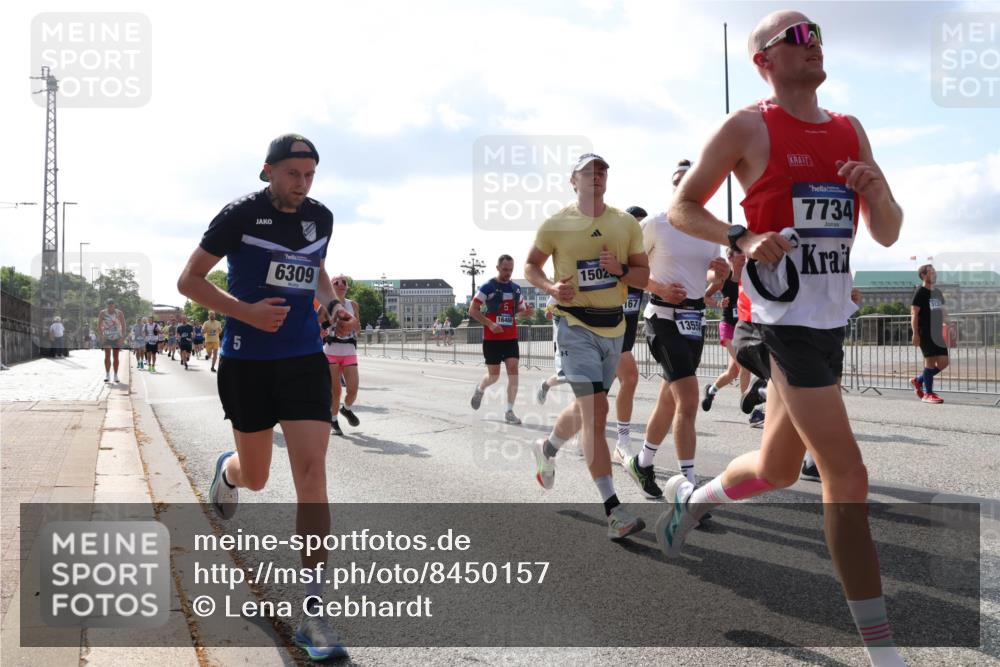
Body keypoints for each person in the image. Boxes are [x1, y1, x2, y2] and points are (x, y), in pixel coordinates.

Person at [661, 12, 907, 667]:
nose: (814, 42)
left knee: (773, 469)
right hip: (779, 320)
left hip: (828, 324)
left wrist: (876, 190)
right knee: (846, 471)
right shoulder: (749, 126)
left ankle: (691, 497)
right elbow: (685, 205)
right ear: (764, 60)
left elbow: (887, 231)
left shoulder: (850, 131)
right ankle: (885, 655)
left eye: (819, 31)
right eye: (796, 36)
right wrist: (738, 237)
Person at [177, 133, 353, 660]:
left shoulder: (320, 217)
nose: (302, 186)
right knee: (256, 477)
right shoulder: (238, 216)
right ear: (268, 172)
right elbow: (189, 280)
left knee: (312, 472)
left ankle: (314, 613)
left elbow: (317, 269)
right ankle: (228, 471)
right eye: (293, 175)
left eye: (310, 176)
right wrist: (246, 312)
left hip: (302, 359)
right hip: (247, 361)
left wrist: (333, 305)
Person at [524, 152, 651, 540]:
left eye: (602, 171)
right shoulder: (557, 224)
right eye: (588, 172)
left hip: (613, 327)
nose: (597, 176)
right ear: (572, 181)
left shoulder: (625, 222)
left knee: (590, 407)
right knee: (596, 409)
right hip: (573, 323)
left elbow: (643, 275)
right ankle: (614, 511)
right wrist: (550, 288)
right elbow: (532, 266)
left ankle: (547, 448)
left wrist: (620, 272)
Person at [623, 162, 729, 499]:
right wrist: (660, 287)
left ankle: (643, 461)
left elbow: (709, 282)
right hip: (662, 317)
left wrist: (720, 275)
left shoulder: (709, 230)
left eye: (689, 179)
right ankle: (689, 487)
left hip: (694, 320)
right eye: (677, 181)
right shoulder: (656, 224)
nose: (682, 185)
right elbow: (628, 271)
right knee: (688, 397)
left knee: (670, 398)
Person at [469, 255, 534, 424]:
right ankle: (480, 388)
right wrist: (490, 324)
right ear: (497, 268)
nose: (508, 273)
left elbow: (519, 310)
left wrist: (526, 312)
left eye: (511, 270)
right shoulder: (488, 287)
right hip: (492, 338)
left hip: (510, 337)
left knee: (514, 370)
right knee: (494, 376)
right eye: (505, 270)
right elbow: (473, 310)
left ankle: (509, 411)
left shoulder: (516, 289)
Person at [610, 205, 650, 463]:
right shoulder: (613, 255)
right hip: (605, 333)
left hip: (626, 336)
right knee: (630, 378)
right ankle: (622, 440)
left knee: (598, 394)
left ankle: (553, 444)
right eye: (636, 225)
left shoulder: (644, 260)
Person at [701, 248, 751, 412]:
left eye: (744, 253)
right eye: (739, 253)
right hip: (729, 327)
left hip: (743, 328)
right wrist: (718, 303)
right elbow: (704, 296)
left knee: (732, 373)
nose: (744, 255)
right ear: (730, 257)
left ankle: (711, 390)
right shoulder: (724, 279)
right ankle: (749, 411)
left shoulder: (749, 276)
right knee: (744, 367)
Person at [323, 275, 362, 436]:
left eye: (343, 282)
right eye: (336, 283)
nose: (340, 285)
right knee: (336, 390)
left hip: (348, 351)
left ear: (347, 287)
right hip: (331, 351)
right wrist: (330, 324)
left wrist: (351, 326)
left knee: (353, 389)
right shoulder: (325, 305)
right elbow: (317, 325)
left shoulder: (353, 305)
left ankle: (346, 409)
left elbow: (358, 328)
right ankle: (333, 419)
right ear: (331, 286)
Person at [910, 264, 948, 404]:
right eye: (931, 272)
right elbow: (914, 314)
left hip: (937, 332)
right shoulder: (920, 292)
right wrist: (915, 334)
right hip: (925, 331)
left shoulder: (937, 292)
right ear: (924, 276)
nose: (934, 274)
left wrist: (948, 323)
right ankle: (928, 393)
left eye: (934, 272)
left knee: (944, 362)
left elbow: (942, 310)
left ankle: (919, 380)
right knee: (930, 361)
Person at [536, 295, 568, 403]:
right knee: (566, 376)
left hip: (582, 340)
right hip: (562, 342)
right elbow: (547, 314)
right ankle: (546, 385)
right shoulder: (560, 290)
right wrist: (549, 313)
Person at [98, 298, 127, 383]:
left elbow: (123, 325)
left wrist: (122, 337)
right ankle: (107, 374)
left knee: (116, 356)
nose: (110, 306)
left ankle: (115, 375)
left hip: (117, 337)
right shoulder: (102, 313)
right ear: (107, 305)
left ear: (114, 305)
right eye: (109, 305)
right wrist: (101, 335)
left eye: (112, 305)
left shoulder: (119, 313)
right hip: (107, 336)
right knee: (107, 356)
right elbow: (99, 325)